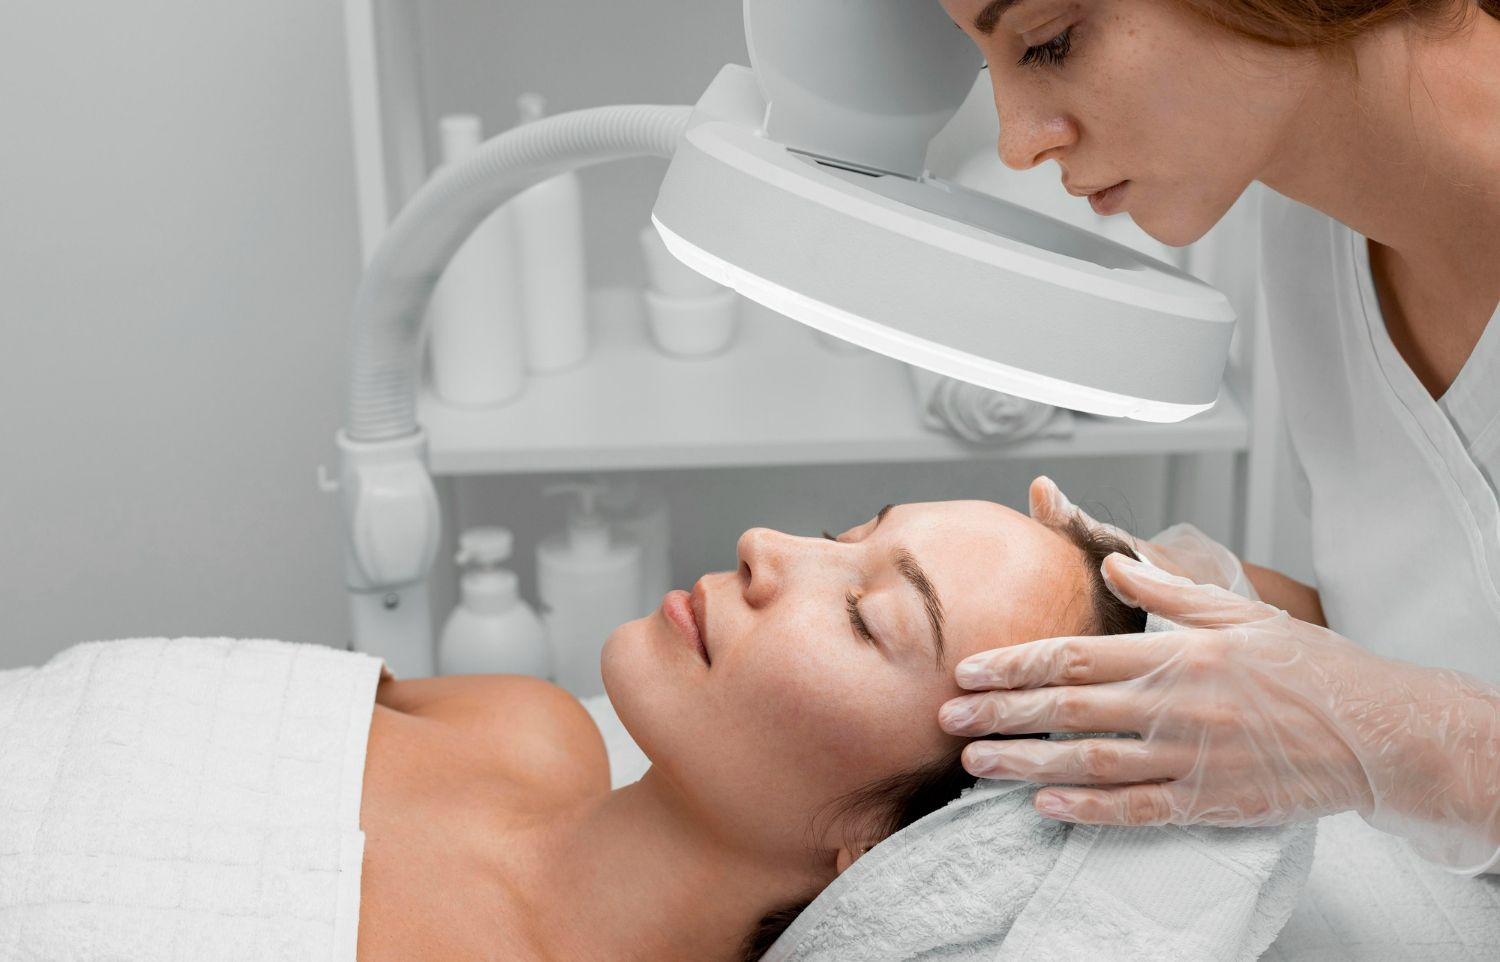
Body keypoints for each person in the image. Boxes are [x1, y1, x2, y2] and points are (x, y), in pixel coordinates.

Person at [935, 0, 1500, 872]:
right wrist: (1174, 603)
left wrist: (1403, 741)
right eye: (988, 65)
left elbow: (1409, 721)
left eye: (1049, 42)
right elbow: (1444, 624)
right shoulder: (1314, 224)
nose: (1018, 143)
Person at [357, 500, 1147, 961]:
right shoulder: (519, 720)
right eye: (846, 537)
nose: (762, 546)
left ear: (886, 847)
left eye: (866, 618)